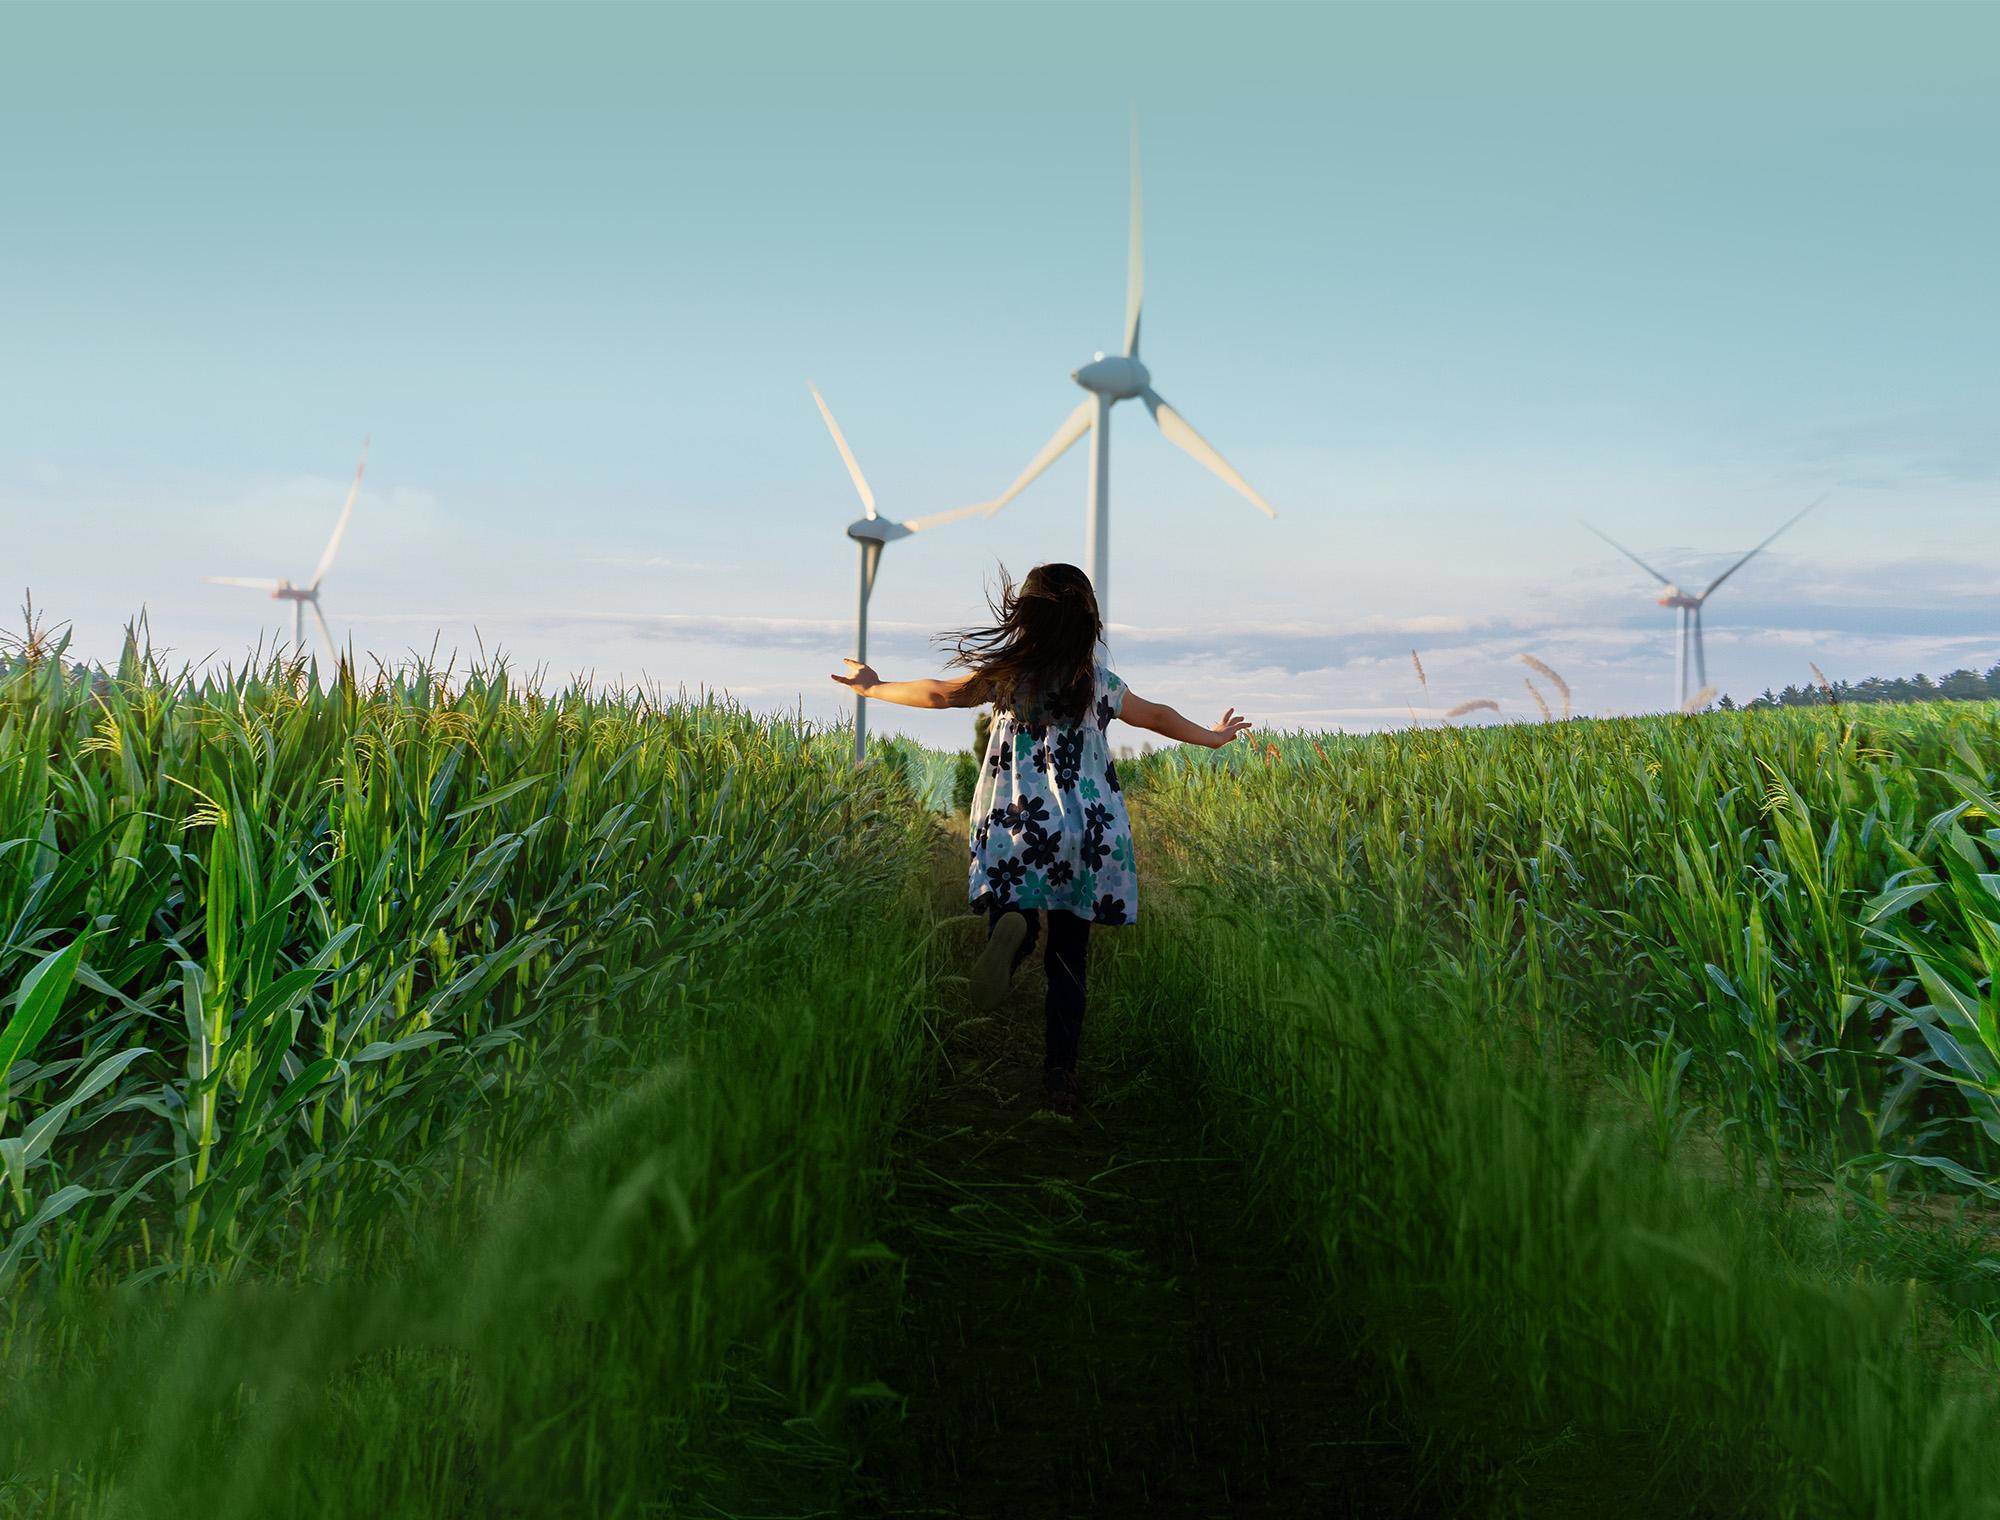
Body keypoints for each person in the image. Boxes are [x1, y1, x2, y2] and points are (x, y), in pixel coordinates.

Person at [830, 562, 1250, 1115]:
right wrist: (1213, 737)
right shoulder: (1096, 681)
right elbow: (1157, 717)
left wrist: (874, 687)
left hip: (1015, 824)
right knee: (1070, 955)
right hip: (1084, 831)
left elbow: (939, 694)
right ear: (1088, 621)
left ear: (1025, 616)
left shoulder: (1008, 675)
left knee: (1018, 907)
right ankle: (1059, 1078)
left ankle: (1013, 938)